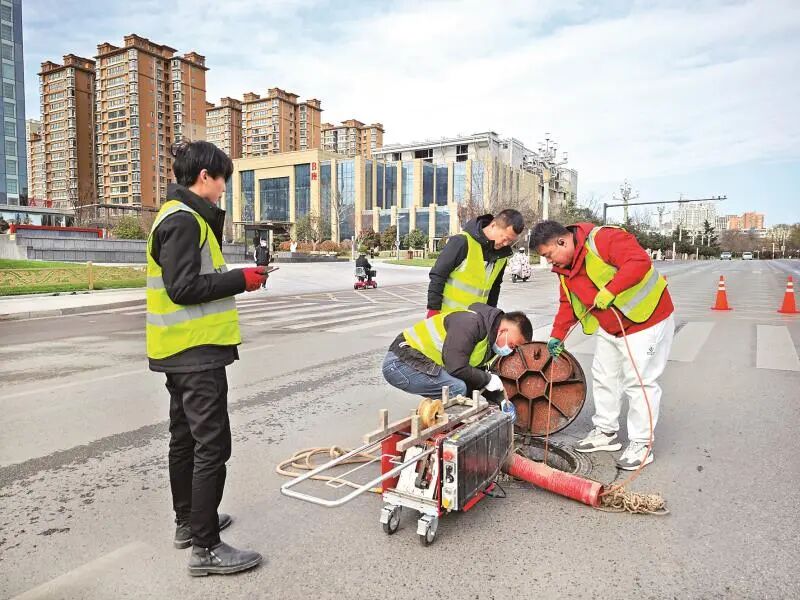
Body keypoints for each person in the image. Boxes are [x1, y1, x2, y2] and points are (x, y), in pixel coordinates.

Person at [147, 140, 267, 576]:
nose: (223, 189)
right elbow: (182, 288)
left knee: (185, 439)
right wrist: (240, 280)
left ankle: (190, 523)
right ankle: (206, 547)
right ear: (205, 177)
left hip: (178, 349)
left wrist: (237, 278)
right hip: (195, 352)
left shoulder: (178, 215)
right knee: (211, 446)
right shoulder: (184, 220)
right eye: (222, 181)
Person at [530, 220, 674, 470]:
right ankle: (606, 432)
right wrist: (557, 335)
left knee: (639, 382)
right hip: (611, 326)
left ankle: (642, 443)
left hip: (647, 319)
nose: (549, 261)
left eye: (549, 255)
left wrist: (612, 290)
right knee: (604, 376)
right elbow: (568, 304)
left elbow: (639, 262)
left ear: (562, 241)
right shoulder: (564, 269)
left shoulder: (603, 239)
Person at [382, 302, 533, 400]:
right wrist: (488, 379)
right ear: (504, 330)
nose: (509, 350)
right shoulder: (470, 324)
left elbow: (471, 376)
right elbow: (456, 368)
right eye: (512, 345)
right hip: (399, 361)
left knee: (462, 390)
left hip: (418, 363)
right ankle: (450, 436)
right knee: (456, 388)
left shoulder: (488, 342)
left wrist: (498, 397)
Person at [426, 209, 524, 317]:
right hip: (446, 318)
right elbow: (438, 275)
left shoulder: (501, 257)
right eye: (505, 238)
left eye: (510, 241)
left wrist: (490, 317)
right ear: (493, 225)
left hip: (475, 321)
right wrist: (433, 310)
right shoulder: (462, 242)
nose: (506, 244)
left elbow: (494, 289)